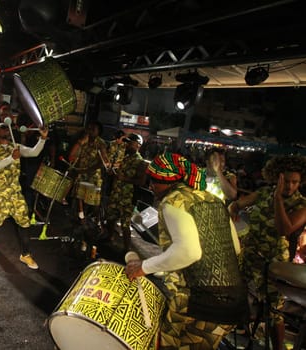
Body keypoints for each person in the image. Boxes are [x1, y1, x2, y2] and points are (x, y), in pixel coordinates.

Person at [125, 152, 248, 349]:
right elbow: (235, 247)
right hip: (233, 301)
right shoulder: (212, 199)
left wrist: (143, 267)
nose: (151, 186)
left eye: (155, 181)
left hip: (199, 304)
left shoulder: (173, 201)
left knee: (168, 345)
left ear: (170, 182)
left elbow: (189, 252)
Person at [228, 154, 306, 349]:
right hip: (251, 254)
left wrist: (278, 198)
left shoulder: (302, 205)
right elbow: (236, 204)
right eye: (286, 181)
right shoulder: (263, 193)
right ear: (276, 177)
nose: (289, 186)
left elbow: (284, 229)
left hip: (275, 262)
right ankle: (243, 329)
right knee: (241, 292)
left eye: (294, 182)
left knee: (274, 311)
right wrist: (234, 211)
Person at [0, 122, 48, 269]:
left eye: (7, 127)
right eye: (2, 127)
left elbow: (34, 152)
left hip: (14, 193)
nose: (6, 129)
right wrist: (11, 158)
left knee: (24, 223)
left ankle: (26, 255)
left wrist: (42, 139)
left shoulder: (16, 147)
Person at [104, 134, 147, 251]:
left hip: (127, 198)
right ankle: (109, 238)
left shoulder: (140, 162)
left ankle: (126, 249)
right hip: (116, 193)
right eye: (127, 142)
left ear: (138, 145)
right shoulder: (125, 157)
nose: (127, 144)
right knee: (110, 217)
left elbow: (141, 181)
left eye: (130, 142)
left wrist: (124, 179)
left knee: (125, 224)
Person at [68, 121, 108, 221]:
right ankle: (81, 217)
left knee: (93, 201)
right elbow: (72, 155)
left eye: (93, 129)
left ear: (98, 131)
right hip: (81, 174)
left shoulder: (101, 143)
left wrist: (89, 169)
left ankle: (97, 220)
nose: (90, 131)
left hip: (93, 176)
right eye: (89, 128)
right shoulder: (83, 141)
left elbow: (103, 161)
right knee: (79, 197)